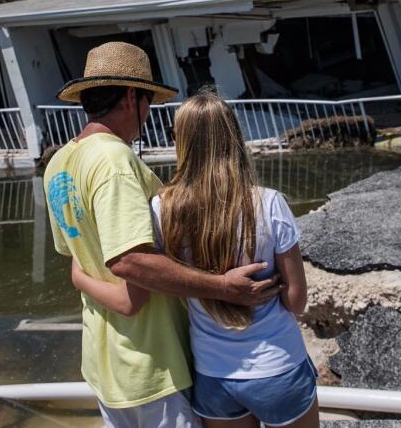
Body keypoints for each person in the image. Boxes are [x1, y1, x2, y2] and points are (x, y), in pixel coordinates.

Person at [44, 42, 281, 428]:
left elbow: (76, 256)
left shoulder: (59, 163)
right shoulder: (114, 160)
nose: (149, 113)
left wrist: (83, 279)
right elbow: (130, 261)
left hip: (106, 365)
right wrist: (221, 287)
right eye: (149, 100)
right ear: (132, 97)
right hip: (152, 361)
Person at [73, 91, 318, 428]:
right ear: (234, 134)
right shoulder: (270, 204)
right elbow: (296, 301)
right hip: (277, 366)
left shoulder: (161, 209)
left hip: (213, 375)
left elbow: (152, 272)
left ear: (181, 141)